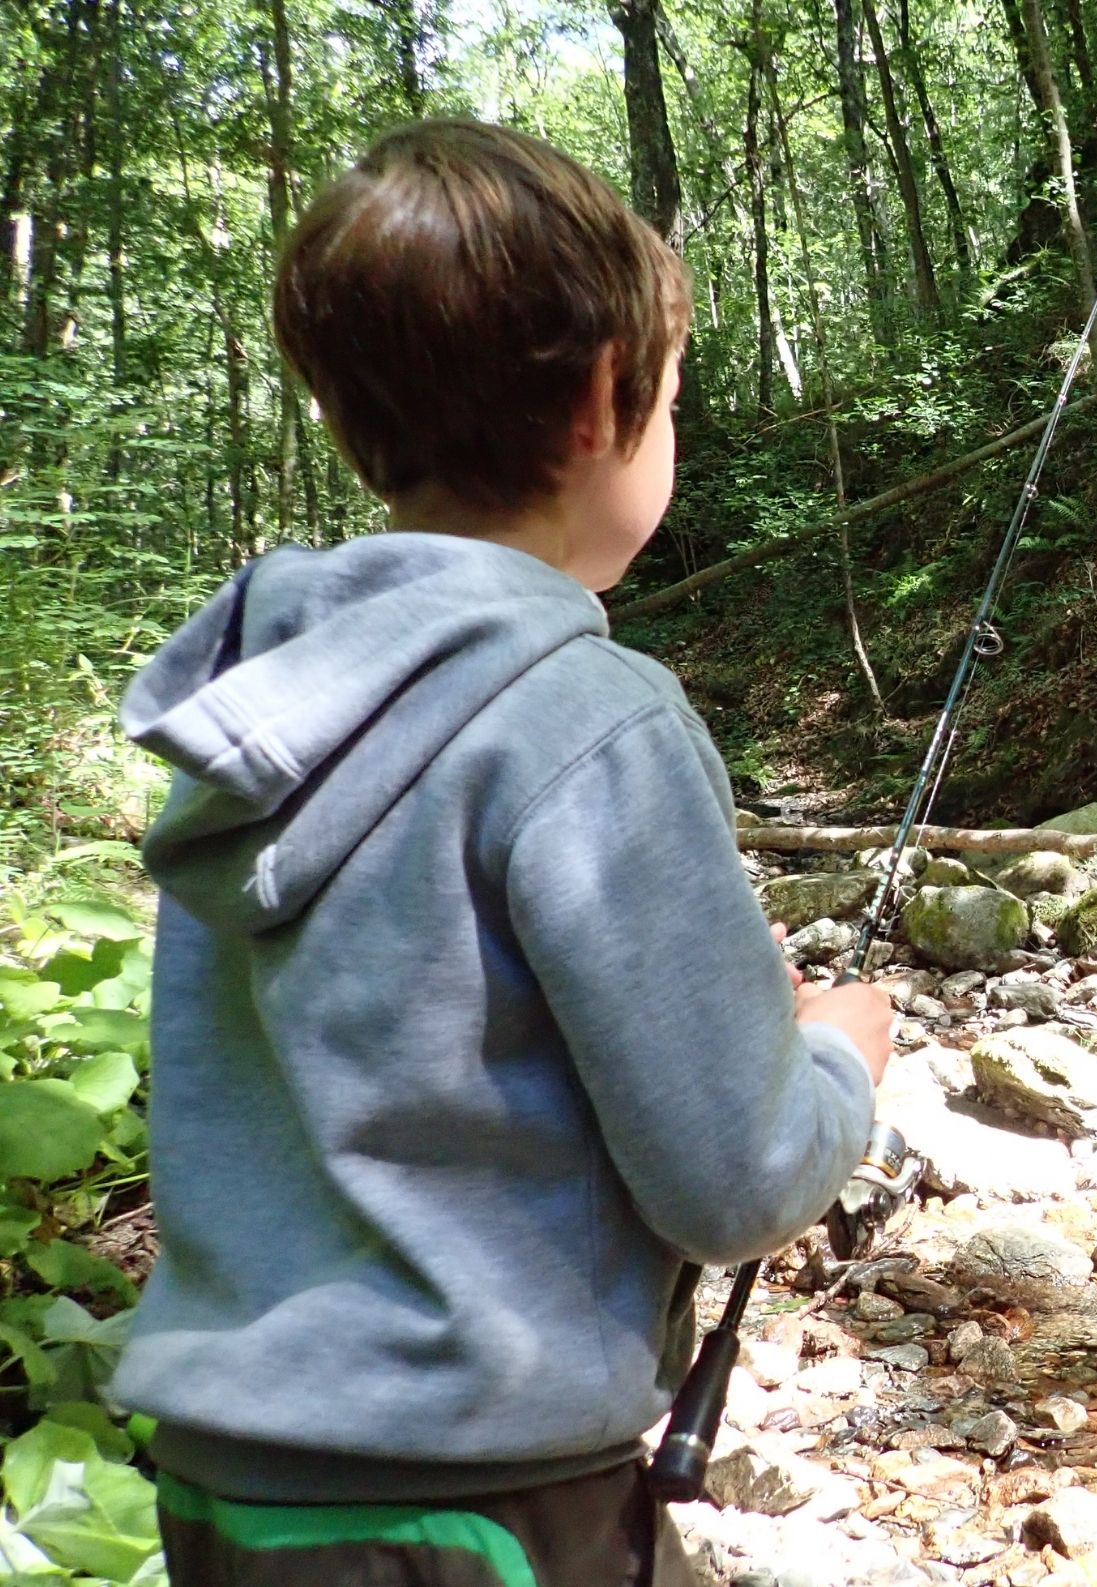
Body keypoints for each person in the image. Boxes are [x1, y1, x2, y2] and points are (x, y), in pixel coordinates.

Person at [113, 120, 894, 1585]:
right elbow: (737, 1181)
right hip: (482, 1501)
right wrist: (841, 1056)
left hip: (226, 1484)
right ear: (606, 398)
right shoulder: (592, 717)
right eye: (674, 403)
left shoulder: (261, 703)